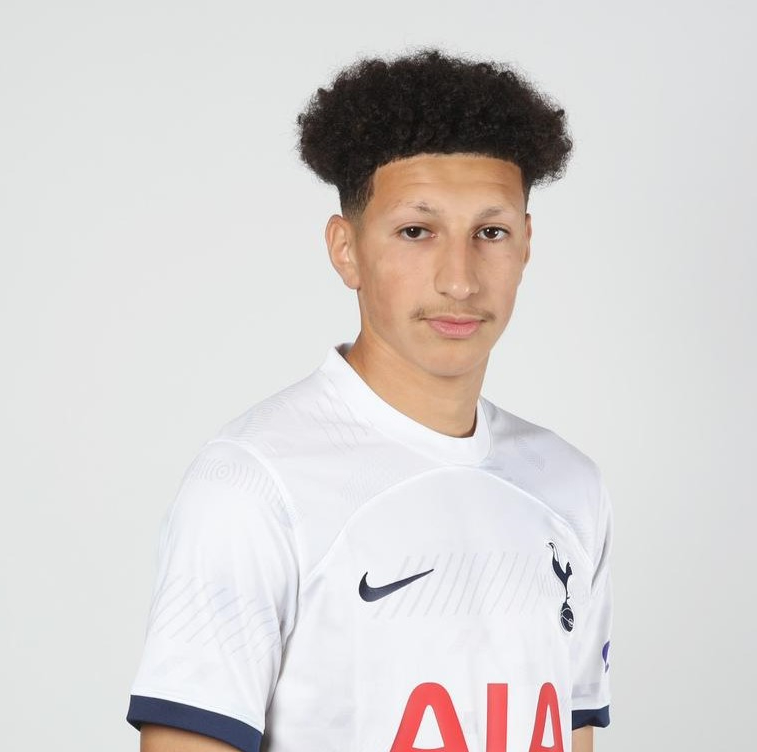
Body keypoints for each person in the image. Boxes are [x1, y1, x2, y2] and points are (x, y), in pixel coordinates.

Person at [126, 48, 614, 752]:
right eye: (416, 231)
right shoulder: (251, 485)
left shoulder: (570, 485)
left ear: (526, 244)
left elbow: (573, 735)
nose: (459, 280)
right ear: (346, 248)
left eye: (491, 233)